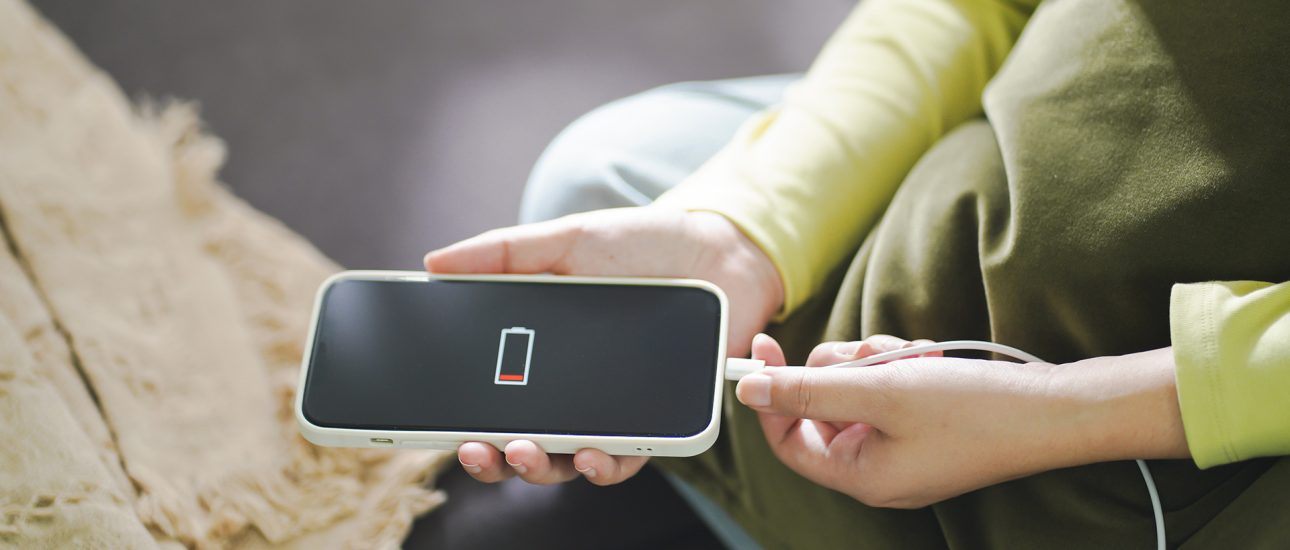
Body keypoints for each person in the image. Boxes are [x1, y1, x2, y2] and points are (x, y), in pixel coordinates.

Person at [425, 0, 1290, 546]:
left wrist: (1069, 414)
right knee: (597, 175)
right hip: (934, 236)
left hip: (1202, 459)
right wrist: (746, 230)